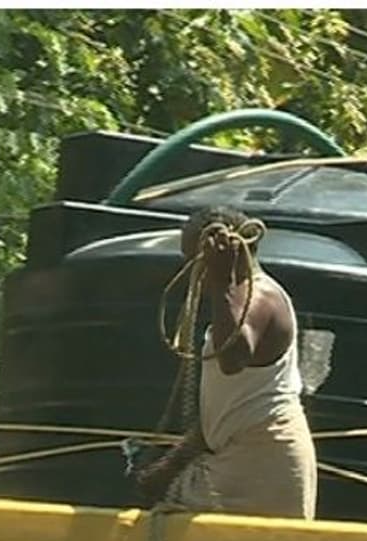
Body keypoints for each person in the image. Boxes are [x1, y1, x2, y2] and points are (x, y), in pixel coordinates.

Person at [130, 205, 317, 519]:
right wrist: (169, 466)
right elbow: (225, 410)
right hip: (243, 454)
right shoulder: (239, 301)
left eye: (193, 261)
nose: (189, 272)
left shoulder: (260, 298)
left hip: (259, 461)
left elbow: (233, 357)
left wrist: (222, 282)